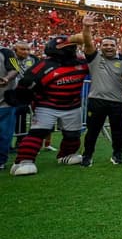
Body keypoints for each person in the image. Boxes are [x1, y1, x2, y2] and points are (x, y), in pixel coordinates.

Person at [9, 23, 91, 176]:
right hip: (47, 105)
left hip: (73, 106)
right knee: (38, 133)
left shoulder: (81, 64)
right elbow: (26, 84)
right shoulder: (44, 66)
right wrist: (22, 98)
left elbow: (90, 49)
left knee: (73, 134)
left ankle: (66, 155)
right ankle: (24, 161)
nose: (72, 49)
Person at [80, 12, 122, 167]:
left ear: (116, 47)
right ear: (100, 47)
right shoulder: (95, 57)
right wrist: (86, 27)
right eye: (105, 45)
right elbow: (87, 42)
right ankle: (87, 156)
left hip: (118, 101)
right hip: (97, 100)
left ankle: (118, 154)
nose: (108, 47)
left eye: (111, 45)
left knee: (118, 131)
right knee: (92, 131)